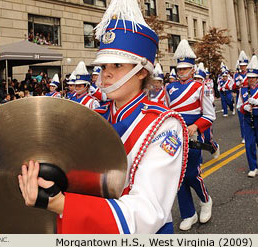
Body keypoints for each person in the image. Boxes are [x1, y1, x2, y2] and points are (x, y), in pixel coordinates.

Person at [18, 0, 188, 234]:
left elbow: (149, 211)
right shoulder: (93, 117)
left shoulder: (164, 125)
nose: (105, 73)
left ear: (141, 72)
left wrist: (60, 204)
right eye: (103, 65)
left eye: (117, 65)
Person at [165, 39, 215, 231]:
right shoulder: (169, 89)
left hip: (194, 136)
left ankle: (205, 200)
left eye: (185, 69)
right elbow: (167, 112)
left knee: (192, 173)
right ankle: (188, 213)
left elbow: (210, 115)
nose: (181, 72)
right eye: (179, 69)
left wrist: (195, 126)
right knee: (178, 176)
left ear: (193, 70)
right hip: (175, 136)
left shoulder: (200, 88)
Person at [194, 63, 220, 159]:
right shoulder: (191, 89)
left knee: (207, 139)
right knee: (196, 140)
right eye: (196, 78)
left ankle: (214, 147)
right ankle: (198, 161)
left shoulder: (207, 88)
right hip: (196, 117)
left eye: (200, 79)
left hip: (206, 116)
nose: (198, 81)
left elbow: (211, 99)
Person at [238, 55, 258, 177]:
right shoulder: (243, 90)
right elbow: (239, 105)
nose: (251, 80)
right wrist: (243, 108)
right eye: (249, 78)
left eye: (253, 78)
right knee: (249, 143)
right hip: (248, 119)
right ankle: (253, 167)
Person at [234, 51, 250, 144]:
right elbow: (234, 86)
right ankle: (244, 136)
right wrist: (237, 84)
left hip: (249, 95)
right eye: (241, 66)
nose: (242, 67)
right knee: (242, 117)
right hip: (240, 96)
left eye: (244, 65)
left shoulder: (251, 74)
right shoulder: (236, 75)